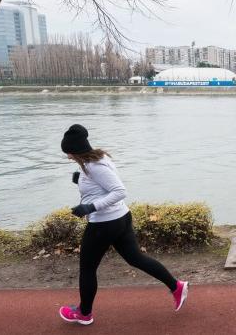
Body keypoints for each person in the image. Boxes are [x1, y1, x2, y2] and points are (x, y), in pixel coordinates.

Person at [58, 124, 189, 326]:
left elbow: (119, 190)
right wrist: (80, 180)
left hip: (104, 224)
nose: (68, 157)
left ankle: (84, 313)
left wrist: (89, 207)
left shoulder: (94, 166)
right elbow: (102, 186)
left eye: (69, 153)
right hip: (120, 218)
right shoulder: (97, 159)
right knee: (135, 258)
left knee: (87, 269)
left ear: (76, 151)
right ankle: (176, 286)